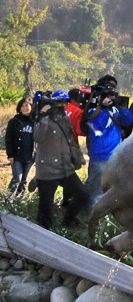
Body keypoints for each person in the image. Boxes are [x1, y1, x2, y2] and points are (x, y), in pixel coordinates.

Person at [33, 90, 88, 229]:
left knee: (82, 193)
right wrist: (44, 116)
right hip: (47, 171)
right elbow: (38, 137)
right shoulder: (43, 118)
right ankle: (44, 234)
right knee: (46, 210)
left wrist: (78, 158)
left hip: (65, 169)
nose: (63, 105)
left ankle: (69, 219)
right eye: (60, 102)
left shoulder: (65, 118)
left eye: (65, 102)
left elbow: (70, 141)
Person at [82, 76, 133, 207]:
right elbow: (98, 128)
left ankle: (106, 215)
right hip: (100, 158)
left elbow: (127, 121)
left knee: (114, 190)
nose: (110, 97)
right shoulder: (94, 112)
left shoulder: (115, 110)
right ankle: (92, 217)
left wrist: (121, 106)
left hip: (116, 156)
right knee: (96, 192)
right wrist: (102, 106)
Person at [5, 98, 35, 196]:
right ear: (19, 108)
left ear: (31, 106)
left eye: (27, 105)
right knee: (17, 178)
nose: (25, 108)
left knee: (24, 181)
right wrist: (10, 154)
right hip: (17, 155)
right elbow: (8, 139)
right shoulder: (14, 121)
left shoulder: (35, 122)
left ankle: (20, 202)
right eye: (22, 106)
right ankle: (7, 200)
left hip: (30, 157)